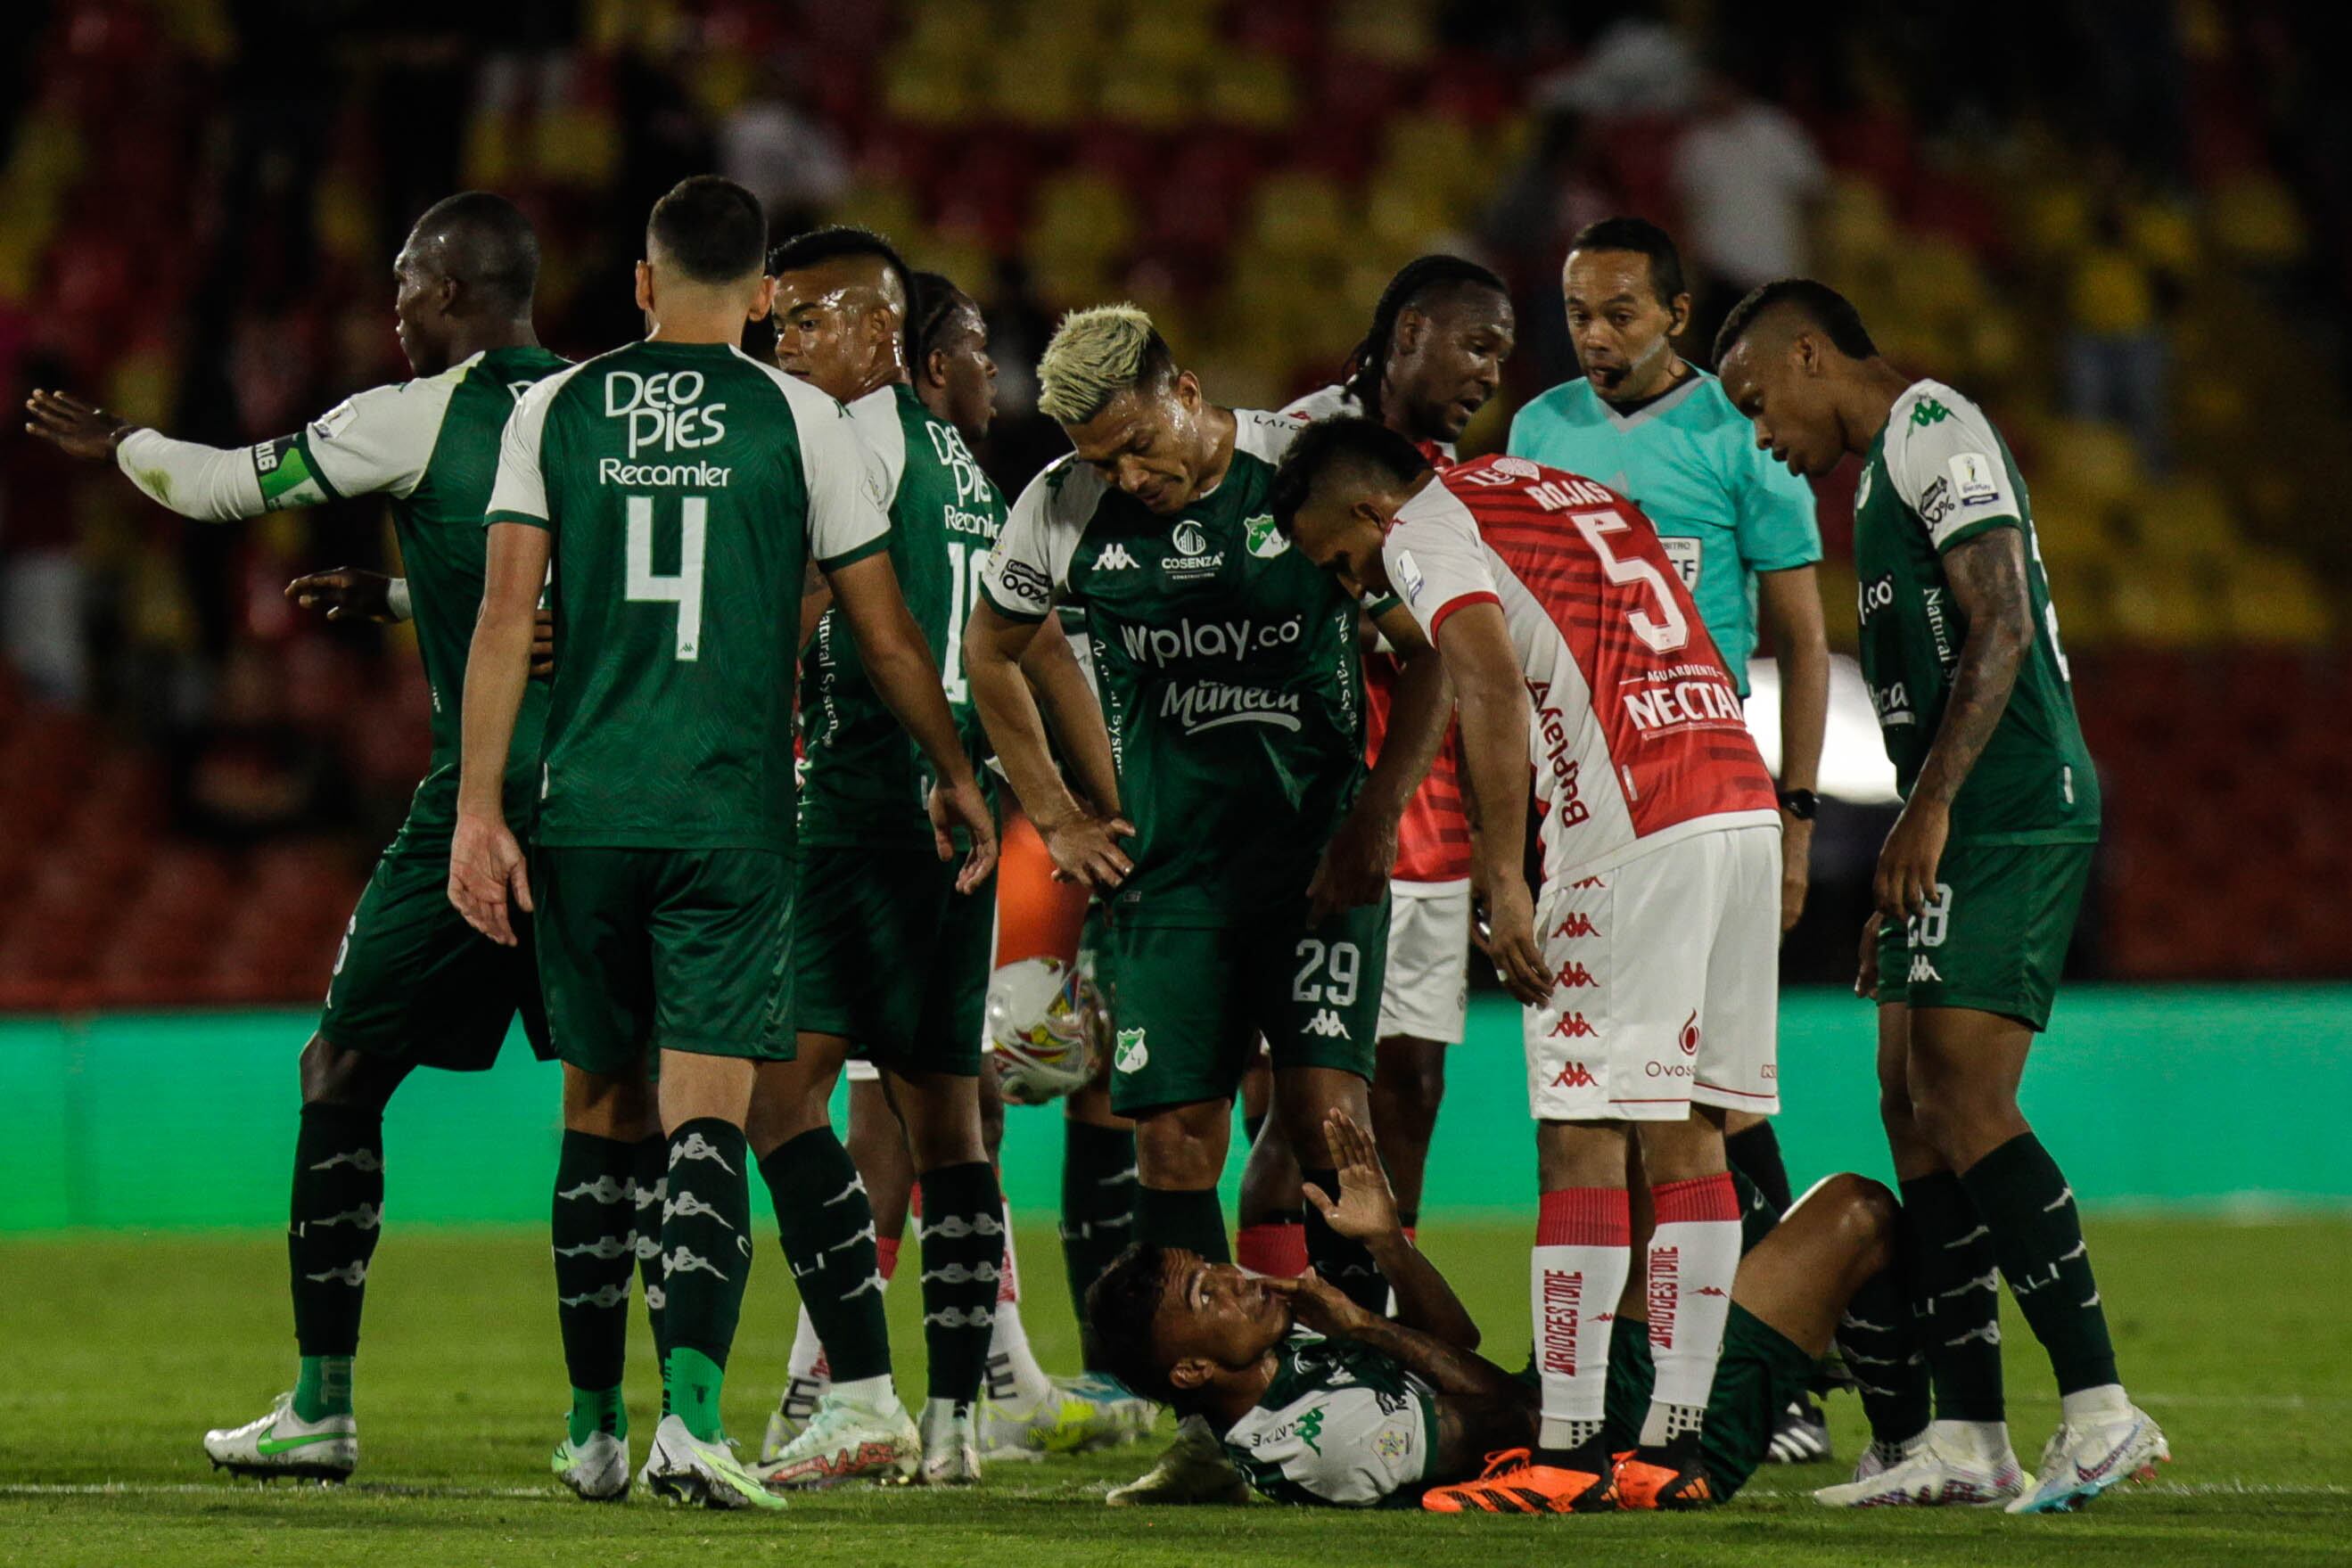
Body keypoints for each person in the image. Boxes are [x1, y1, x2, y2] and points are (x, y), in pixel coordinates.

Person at [22, 193, 607, 1489]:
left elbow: (221, 483)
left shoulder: (411, 415)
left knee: (341, 1067)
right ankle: (612, 1421)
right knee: (623, 1103)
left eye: (406, 279)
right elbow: (600, 589)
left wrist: (120, 439)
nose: (391, 304)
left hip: (485, 796)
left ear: (454, 290)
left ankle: (322, 1404)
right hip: (623, 808)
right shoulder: (608, 408)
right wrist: (410, 597)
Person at [448, 175, 996, 1510]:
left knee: (597, 1107)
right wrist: (951, 766)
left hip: (585, 809)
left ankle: (589, 1424)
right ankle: (692, 1419)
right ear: (762, 297)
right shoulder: (800, 417)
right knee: (710, 1110)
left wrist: (477, 811)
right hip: (732, 821)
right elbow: (880, 632)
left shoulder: (552, 408)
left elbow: (501, 616)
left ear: (639, 283)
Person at [964, 305, 1450, 1505]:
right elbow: (992, 647)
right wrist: (1060, 810)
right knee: (1174, 1139)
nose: (1129, 476)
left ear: (1183, 386)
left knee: (1329, 1127)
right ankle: (1210, 1436)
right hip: (1167, 879)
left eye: (1140, 445)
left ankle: (1355, 1389)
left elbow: (1428, 649)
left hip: (1315, 868)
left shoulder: (1303, 461)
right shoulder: (1061, 508)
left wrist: (1373, 819)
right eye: (1101, 459)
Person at [1713, 279, 2167, 1513]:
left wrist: (1926, 811)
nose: (1760, 433)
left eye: (1759, 400)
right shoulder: (1870, 480)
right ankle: (1966, 1431)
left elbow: (2004, 621)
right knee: (1905, 1100)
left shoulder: (1930, 427)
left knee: (1964, 1088)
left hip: (2012, 803)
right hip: (1957, 818)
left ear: (1809, 354)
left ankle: (2099, 1407)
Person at [1271, 418, 1781, 1512]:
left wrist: (1503, 875)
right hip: (1733, 794)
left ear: (1367, 514)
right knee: (1688, 1131)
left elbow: (1488, 684)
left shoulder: (1424, 525)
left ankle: (1564, 1452)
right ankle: (1673, 1449)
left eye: (1345, 565)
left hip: (1631, 823)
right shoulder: (1550, 484)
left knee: (1578, 1139)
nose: (1361, 587)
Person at [757, 263, 1155, 1469]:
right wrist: (1108, 805)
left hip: (861, 809)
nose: (997, 370)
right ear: (933, 365)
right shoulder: (975, 482)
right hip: (959, 829)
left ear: (891, 345)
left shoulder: (845, 448)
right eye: (978, 347)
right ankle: (955, 1422)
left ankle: (840, 1387)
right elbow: (1034, 649)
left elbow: (823, 602)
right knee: (950, 1120)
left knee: (784, 1101)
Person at [1506, 216, 1830, 1458]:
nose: (1594, 336)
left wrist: (1797, 815)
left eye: (1621, 312)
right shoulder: (1538, 433)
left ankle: (1763, 1362)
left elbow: (1800, 638)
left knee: (1709, 1100)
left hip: (1705, 804)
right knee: (1612, 1098)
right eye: (1579, 312)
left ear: (1677, 315)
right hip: (1584, 813)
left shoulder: (1743, 439)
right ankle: (1607, 1368)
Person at [1087, 1108, 1929, 1512]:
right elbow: (1518, 1419)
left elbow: (1451, 1340)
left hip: (1592, 1396)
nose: (1234, 1279)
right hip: (1644, 1447)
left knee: (1645, 1137)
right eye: (1205, 1294)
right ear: (1192, 1368)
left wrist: (1389, 1247)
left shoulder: (1279, 1362)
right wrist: (1365, 1325)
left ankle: (1808, 1339)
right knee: (1859, 1211)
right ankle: (1904, 1443)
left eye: (1212, 1268)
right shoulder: (1317, 1443)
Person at [1237, 256, 1516, 1280]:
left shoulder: (1454, 480)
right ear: (1405, 333)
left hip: (1427, 817)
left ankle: (1382, 1341)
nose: (1490, 371)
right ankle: (1274, 1351)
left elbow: (1454, 653)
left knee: (1407, 1086)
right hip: (1312, 807)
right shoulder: (1300, 447)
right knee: (1295, 1099)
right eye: (1474, 344)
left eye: (1501, 354)